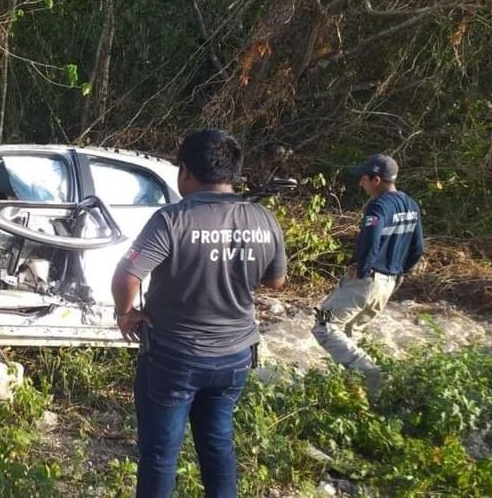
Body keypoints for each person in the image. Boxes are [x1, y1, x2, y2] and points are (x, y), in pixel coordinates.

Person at [112, 129, 287, 498]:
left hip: (175, 357)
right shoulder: (263, 219)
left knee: (160, 454)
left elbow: (127, 276)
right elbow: (277, 282)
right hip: (235, 358)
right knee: (217, 442)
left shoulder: (172, 220)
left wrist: (125, 314)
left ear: (186, 171)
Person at [312, 153, 424, 392]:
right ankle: (359, 393)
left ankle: (370, 373)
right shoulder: (411, 205)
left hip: (366, 281)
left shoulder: (379, 205)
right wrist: (399, 273)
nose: (359, 183)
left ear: (375, 179)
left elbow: (372, 239)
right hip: (388, 284)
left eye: (363, 178)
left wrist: (362, 268)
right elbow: (418, 248)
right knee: (350, 333)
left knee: (325, 326)